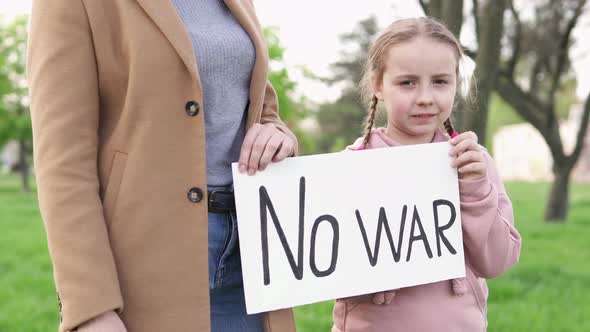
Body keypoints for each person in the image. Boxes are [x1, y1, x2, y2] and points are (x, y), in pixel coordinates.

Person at [27, 0, 297, 331]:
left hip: (253, 250)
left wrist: (275, 130)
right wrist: (90, 307)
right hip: (145, 261)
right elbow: (63, 163)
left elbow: (254, 100)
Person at [331, 17, 522, 332]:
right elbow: (320, 267)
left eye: (440, 81)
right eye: (407, 82)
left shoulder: (474, 163)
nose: (425, 97)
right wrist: (371, 273)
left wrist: (474, 189)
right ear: (378, 85)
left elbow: (497, 261)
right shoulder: (351, 167)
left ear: (456, 84)